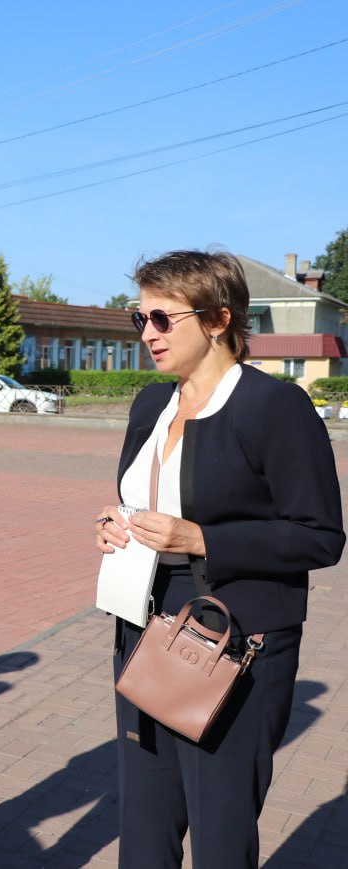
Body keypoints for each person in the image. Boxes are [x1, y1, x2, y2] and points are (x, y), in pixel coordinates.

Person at [95, 249, 344, 868]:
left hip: (234, 640)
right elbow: (141, 495)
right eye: (139, 319)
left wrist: (201, 539)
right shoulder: (151, 404)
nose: (146, 333)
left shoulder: (274, 407)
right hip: (143, 629)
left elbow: (321, 536)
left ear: (216, 320)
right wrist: (114, 525)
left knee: (220, 830)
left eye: (162, 319)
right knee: (144, 825)